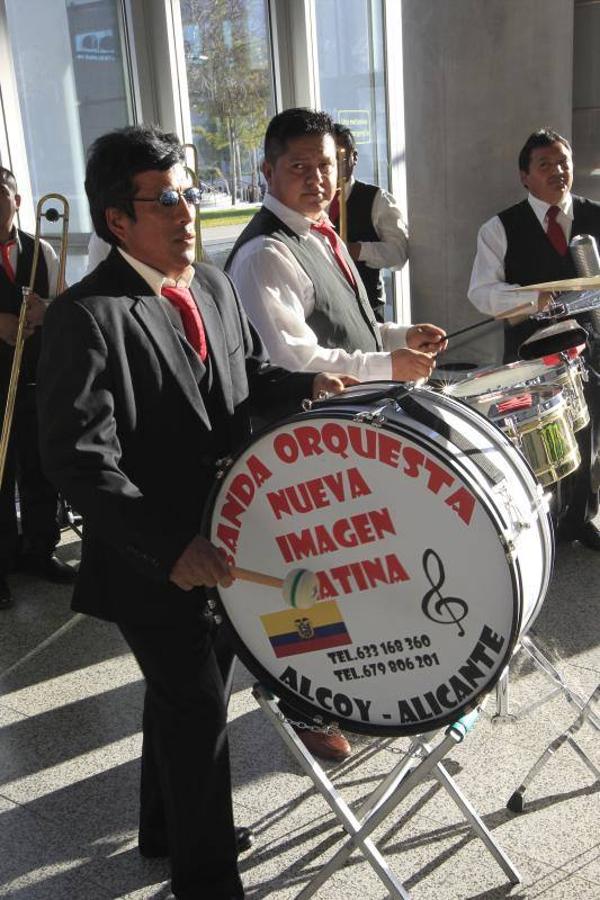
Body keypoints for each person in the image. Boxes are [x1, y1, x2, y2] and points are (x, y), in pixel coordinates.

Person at [36, 124, 352, 900]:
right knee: (197, 706)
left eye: (191, 193)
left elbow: (243, 383)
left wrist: (304, 389)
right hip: (156, 556)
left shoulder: (208, 285)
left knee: (183, 692)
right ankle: (207, 881)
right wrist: (170, 545)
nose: (188, 212)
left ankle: (161, 826)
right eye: (168, 199)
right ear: (117, 219)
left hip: (229, 537)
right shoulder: (87, 315)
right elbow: (79, 461)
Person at [226, 108, 446, 760]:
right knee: (309, 576)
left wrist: (402, 339)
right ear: (267, 171)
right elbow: (294, 362)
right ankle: (303, 706)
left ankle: (344, 690)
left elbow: (346, 331)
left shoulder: (322, 233)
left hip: (344, 436)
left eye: (327, 165)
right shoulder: (265, 252)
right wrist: (387, 365)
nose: (317, 177)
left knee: (345, 572)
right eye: (299, 166)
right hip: (299, 445)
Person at [468, 128, 600, 550]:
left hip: (591, 346)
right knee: (537, 440)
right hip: (532, 354)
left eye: (564, 162)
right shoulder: (498, 227)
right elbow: (481, 293)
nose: (558, 171)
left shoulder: (595, 214)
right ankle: (542, 524)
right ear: (524, 175)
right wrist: (529, 298)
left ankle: (583, 517)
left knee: (591, 433)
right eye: (545, 164)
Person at [0, 167, 75, 609]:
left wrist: (45, 309)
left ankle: (39, 550)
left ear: (18, 201)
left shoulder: (41, 248)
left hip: (37, 377)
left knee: (41, 467)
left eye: (2, 196)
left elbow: (65, 303)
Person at [331, 123, 409, 322]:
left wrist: (357, 250)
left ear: (354, 157)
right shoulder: (310, 200)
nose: (334, 164)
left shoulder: (377, 199)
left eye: (341, 157)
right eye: (328, 159)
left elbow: (399, 253)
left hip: (367, 314)